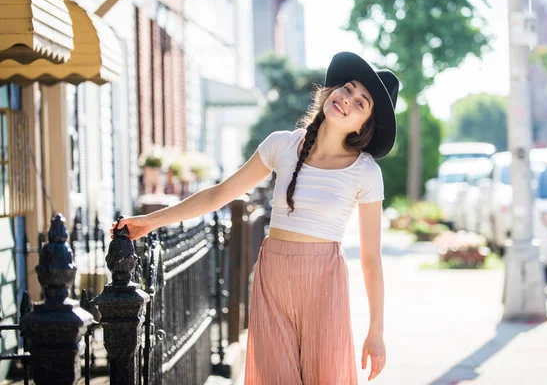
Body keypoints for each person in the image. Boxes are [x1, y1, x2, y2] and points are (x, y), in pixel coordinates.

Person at [111, 51, 399, 384]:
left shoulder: (365, 172)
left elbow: (371, 260)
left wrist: (375, 332)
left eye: (361, 103)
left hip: (324, 280)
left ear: (366, 125)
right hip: (273, 274)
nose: (348, 99)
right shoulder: (282, 145)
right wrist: (152, 221)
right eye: (348, 89)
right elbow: (219, 194)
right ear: (332, 90)